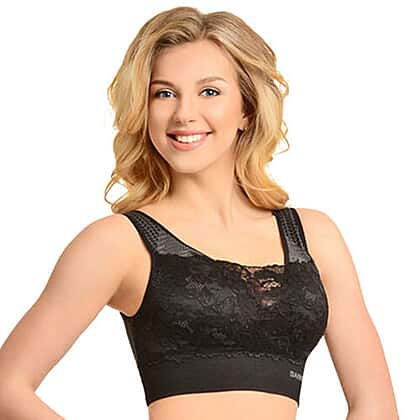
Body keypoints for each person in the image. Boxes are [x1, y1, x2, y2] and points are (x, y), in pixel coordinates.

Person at [0, 6, 399, 420]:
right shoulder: (119, 242)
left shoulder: (314, 236)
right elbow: (6, 387)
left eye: (209, 92)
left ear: (247, 109)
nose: (184, 114)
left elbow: (377, 407)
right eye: (164, 93)